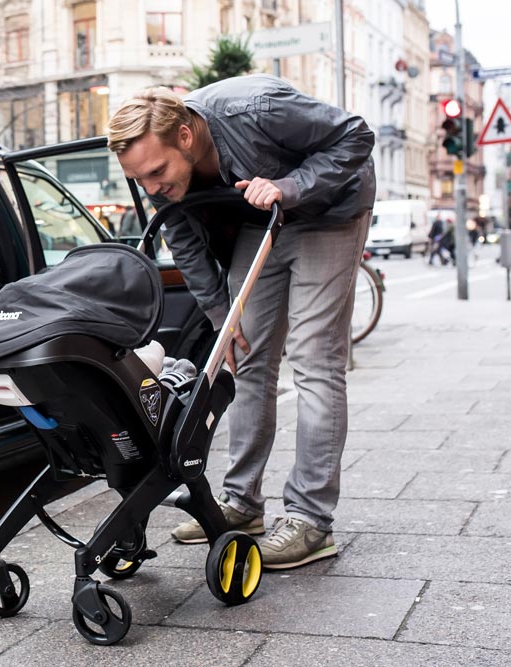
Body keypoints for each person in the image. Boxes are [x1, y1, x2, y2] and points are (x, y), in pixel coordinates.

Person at [107, 75, 375, 570]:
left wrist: (290, 186)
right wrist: (219, 318)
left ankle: (311, 521)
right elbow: (182, 237)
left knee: (315, 360)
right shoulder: (155, 168)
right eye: (140, 179)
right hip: (260, 221)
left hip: (327, 212)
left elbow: (355, 135)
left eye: (157, 172)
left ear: (185, 136)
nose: (151, 188)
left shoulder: (256, 107)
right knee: (243, 355)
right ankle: (242, 504)